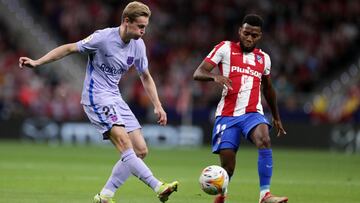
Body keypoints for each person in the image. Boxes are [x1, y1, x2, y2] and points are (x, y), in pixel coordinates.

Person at [19, 1, 178, 203]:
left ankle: (105, 195)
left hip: (115, 97)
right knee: (125, 143)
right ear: (126, 21)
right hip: (96, 97)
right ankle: (158, 186)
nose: (143, 31)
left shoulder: (138, 45)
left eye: (145, 27)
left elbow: (145, 76)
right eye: (140, 26)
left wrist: (158, 105)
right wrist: (37, 62)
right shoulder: (103, 38)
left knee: (140, 150)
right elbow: (69, 48)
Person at [193, 14, 288, 203]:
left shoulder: (264, 59)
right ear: (240, 31)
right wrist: (215, 77)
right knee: (228, 168)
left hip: (252, 113)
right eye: (246, 33)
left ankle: (265, 195)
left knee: (264, 139)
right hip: (227, 116)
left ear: (259, 36)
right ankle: (221, 197)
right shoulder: (225, 48)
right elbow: (199, 72)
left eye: (254, 35)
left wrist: (276, 116)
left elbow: (268, 88)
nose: (249, 38)